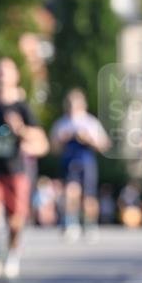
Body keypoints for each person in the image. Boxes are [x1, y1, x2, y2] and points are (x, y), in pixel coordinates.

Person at [0, 57, 48, 279]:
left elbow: (40, 137)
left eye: (6, 71)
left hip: (15, 169)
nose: (2, 75)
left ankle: (13, 253)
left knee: (15, 221)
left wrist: (21, 129)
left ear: (15, 76)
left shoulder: (22, 107)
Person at [50, 88, 111, 240]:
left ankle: (90, 224)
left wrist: (88, 139)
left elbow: (104, 144)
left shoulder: (90, 122)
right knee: (71, 192)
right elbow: (53, 147)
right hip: (69, 161)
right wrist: (62, 139)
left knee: (89, 196)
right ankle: (71, 223)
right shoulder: (62, 123)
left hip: (87, 161)